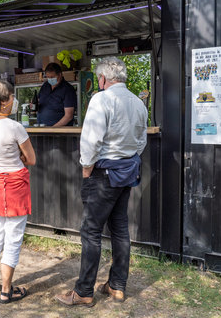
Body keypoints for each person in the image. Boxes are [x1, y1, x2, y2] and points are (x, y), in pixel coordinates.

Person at [55, 57, 148, 306]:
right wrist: (127, 159)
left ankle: (84, 291)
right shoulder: (138, 102)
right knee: (119, 230)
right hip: (127, 171)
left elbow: (91, 141)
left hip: (103, 173)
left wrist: (87, 169)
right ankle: (117, 286)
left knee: (91, 231)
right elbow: (141, 142)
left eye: (98, 78)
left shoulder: (101, 99)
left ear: (103, 78)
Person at [0, 80, 36, 304]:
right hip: (15, 185)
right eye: (11, 97)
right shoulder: (14, 127)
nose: (14, 100)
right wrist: (19, 157)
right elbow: (31, 159)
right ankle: (6, 290)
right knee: (13, 238)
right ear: (3, 102)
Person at [37, 62, 77, 126]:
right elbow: (38, 102)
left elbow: (69, 116)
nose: (50, 79)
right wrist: (34, 105)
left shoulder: (68, 89)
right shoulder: (45, 86)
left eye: (52, 77)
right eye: (48, 77)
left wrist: (53, 129)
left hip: (60, 132)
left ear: (60, 75)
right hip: (42, 128)